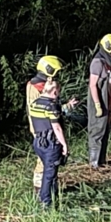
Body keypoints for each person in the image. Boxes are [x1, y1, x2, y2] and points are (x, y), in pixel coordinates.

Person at [26, 55, 78, 195]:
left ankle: (49, 188)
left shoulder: (43, 86)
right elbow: (43, 110)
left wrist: (66, 107)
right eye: (56, 73)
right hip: (43, 130)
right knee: (43, 162)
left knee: (50, 161)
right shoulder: (35, 87)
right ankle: (40, 191)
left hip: (46, 127)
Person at [28, 78, 69, 208]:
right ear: (55, 91)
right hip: (50, 143)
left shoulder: (34, 104)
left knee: (48, 169)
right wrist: (64, 145)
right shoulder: (52, 106)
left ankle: (51, 194)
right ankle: (45, 202)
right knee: (49, 173)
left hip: (38, 142)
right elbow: (56, 128)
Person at [87, 34, 111, 169]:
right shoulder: (97, 62)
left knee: (105, 130)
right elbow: (93, 85)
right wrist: (97, 105)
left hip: (107, 101)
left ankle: (101, 161)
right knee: (97, 130)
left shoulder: (107, 62)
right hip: (99, 101)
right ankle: (94, 163)